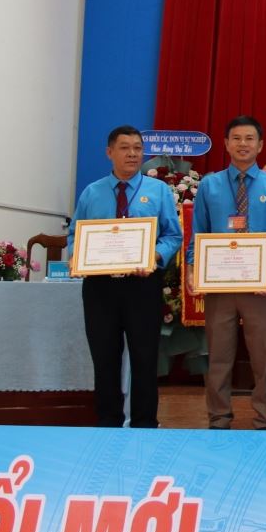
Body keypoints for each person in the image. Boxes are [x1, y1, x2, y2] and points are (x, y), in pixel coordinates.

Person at [68, 125, 183, 429]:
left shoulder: (158, 191)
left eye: (137, 148)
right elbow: (74, 235)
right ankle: (108, 421)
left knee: (145, 358)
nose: (132, 154)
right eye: (124, 148)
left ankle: (145, 423)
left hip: (142, 285)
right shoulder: (92, 192)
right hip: (100, 287)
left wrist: (154, 256)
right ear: (110, 152)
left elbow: (173, 235)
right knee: (104, 358)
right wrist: (75, 255)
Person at [187, 115, 266, 430]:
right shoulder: (209, 185)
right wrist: (192, 268)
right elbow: (198, 232)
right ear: (226, 144)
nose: (243, 144)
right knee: (218, 355)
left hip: (260, 285)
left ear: (260, 145)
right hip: (220, 284)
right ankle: (218, 417)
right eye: (236, 138)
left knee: (264, 355)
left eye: (249, 138)